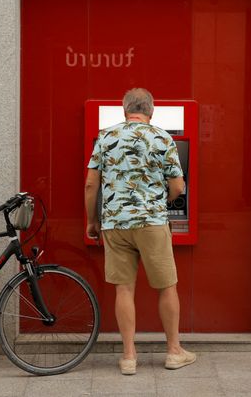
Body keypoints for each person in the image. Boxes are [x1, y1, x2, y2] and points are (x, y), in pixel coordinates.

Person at [84, 88, 196, 375]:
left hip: (115, 224)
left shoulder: (106, 137)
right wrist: (163, 201)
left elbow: (90, 185)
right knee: (166, 285)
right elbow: (179, 186)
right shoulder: (162, 138)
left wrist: (92, 221)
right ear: (152, 111)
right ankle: (173, 352)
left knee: (124, 289)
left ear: (124, 110)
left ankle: (129, 357)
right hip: (152, 222)